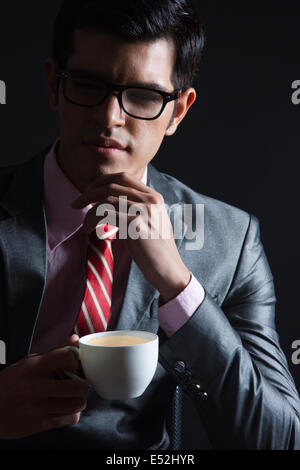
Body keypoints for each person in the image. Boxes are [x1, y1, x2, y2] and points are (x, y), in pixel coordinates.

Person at [0, 0, 299, 450]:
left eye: (142, 96)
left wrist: (178, 285)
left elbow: (278, 440)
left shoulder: (230, 242)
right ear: (53, 85)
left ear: (178, 111)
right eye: (87, 85)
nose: (109, 119)